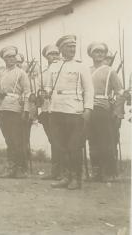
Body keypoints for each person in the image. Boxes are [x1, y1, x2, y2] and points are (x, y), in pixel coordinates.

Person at [48, 35, 93, 190]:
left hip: (74, 110)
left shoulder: (81, 67)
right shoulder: (54, 66)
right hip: (56, 109)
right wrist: (44, 93)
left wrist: (88, 108)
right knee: (61, 145)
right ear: (60, 49)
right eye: (68, 47)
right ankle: (66, 176)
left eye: (73, 47)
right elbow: (49, 87)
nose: (72, 49)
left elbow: (88, 90)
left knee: (74, 146)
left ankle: (76, 178)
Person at [87, 42, 123, 182]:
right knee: (92, 140)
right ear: (91, 54)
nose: (100, 54)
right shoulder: (87, 70)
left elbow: (120, 93)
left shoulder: (110, 71)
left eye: (102, 52)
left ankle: (108, 172)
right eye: (96, 51)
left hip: (103, 109)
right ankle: (96, 170)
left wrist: (117, 111)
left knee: (106, 141)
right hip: (88, 108)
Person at [0, 46, 31, 178]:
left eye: (13, 56)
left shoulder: (21, 73)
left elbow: (27, 92)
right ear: (4, 59)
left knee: (18, 140)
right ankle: (11, 167)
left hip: (16, 108)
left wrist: (26, 110)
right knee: (8, 140)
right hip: (3, 108)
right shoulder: (1, 73)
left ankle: (21, 168)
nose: (11, 59)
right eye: (8, 57)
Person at [38, 44, 62, 180]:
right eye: (51, 54)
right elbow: (36, 93)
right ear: (46, 57)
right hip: (47, 110)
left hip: (60, 110)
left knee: (61, 140)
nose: (55, 56)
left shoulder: (63, 71)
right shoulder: (43, 74)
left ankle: (64, 170)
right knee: (53, 140)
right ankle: (56, 170)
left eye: (57, 54)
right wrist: (39, 96)